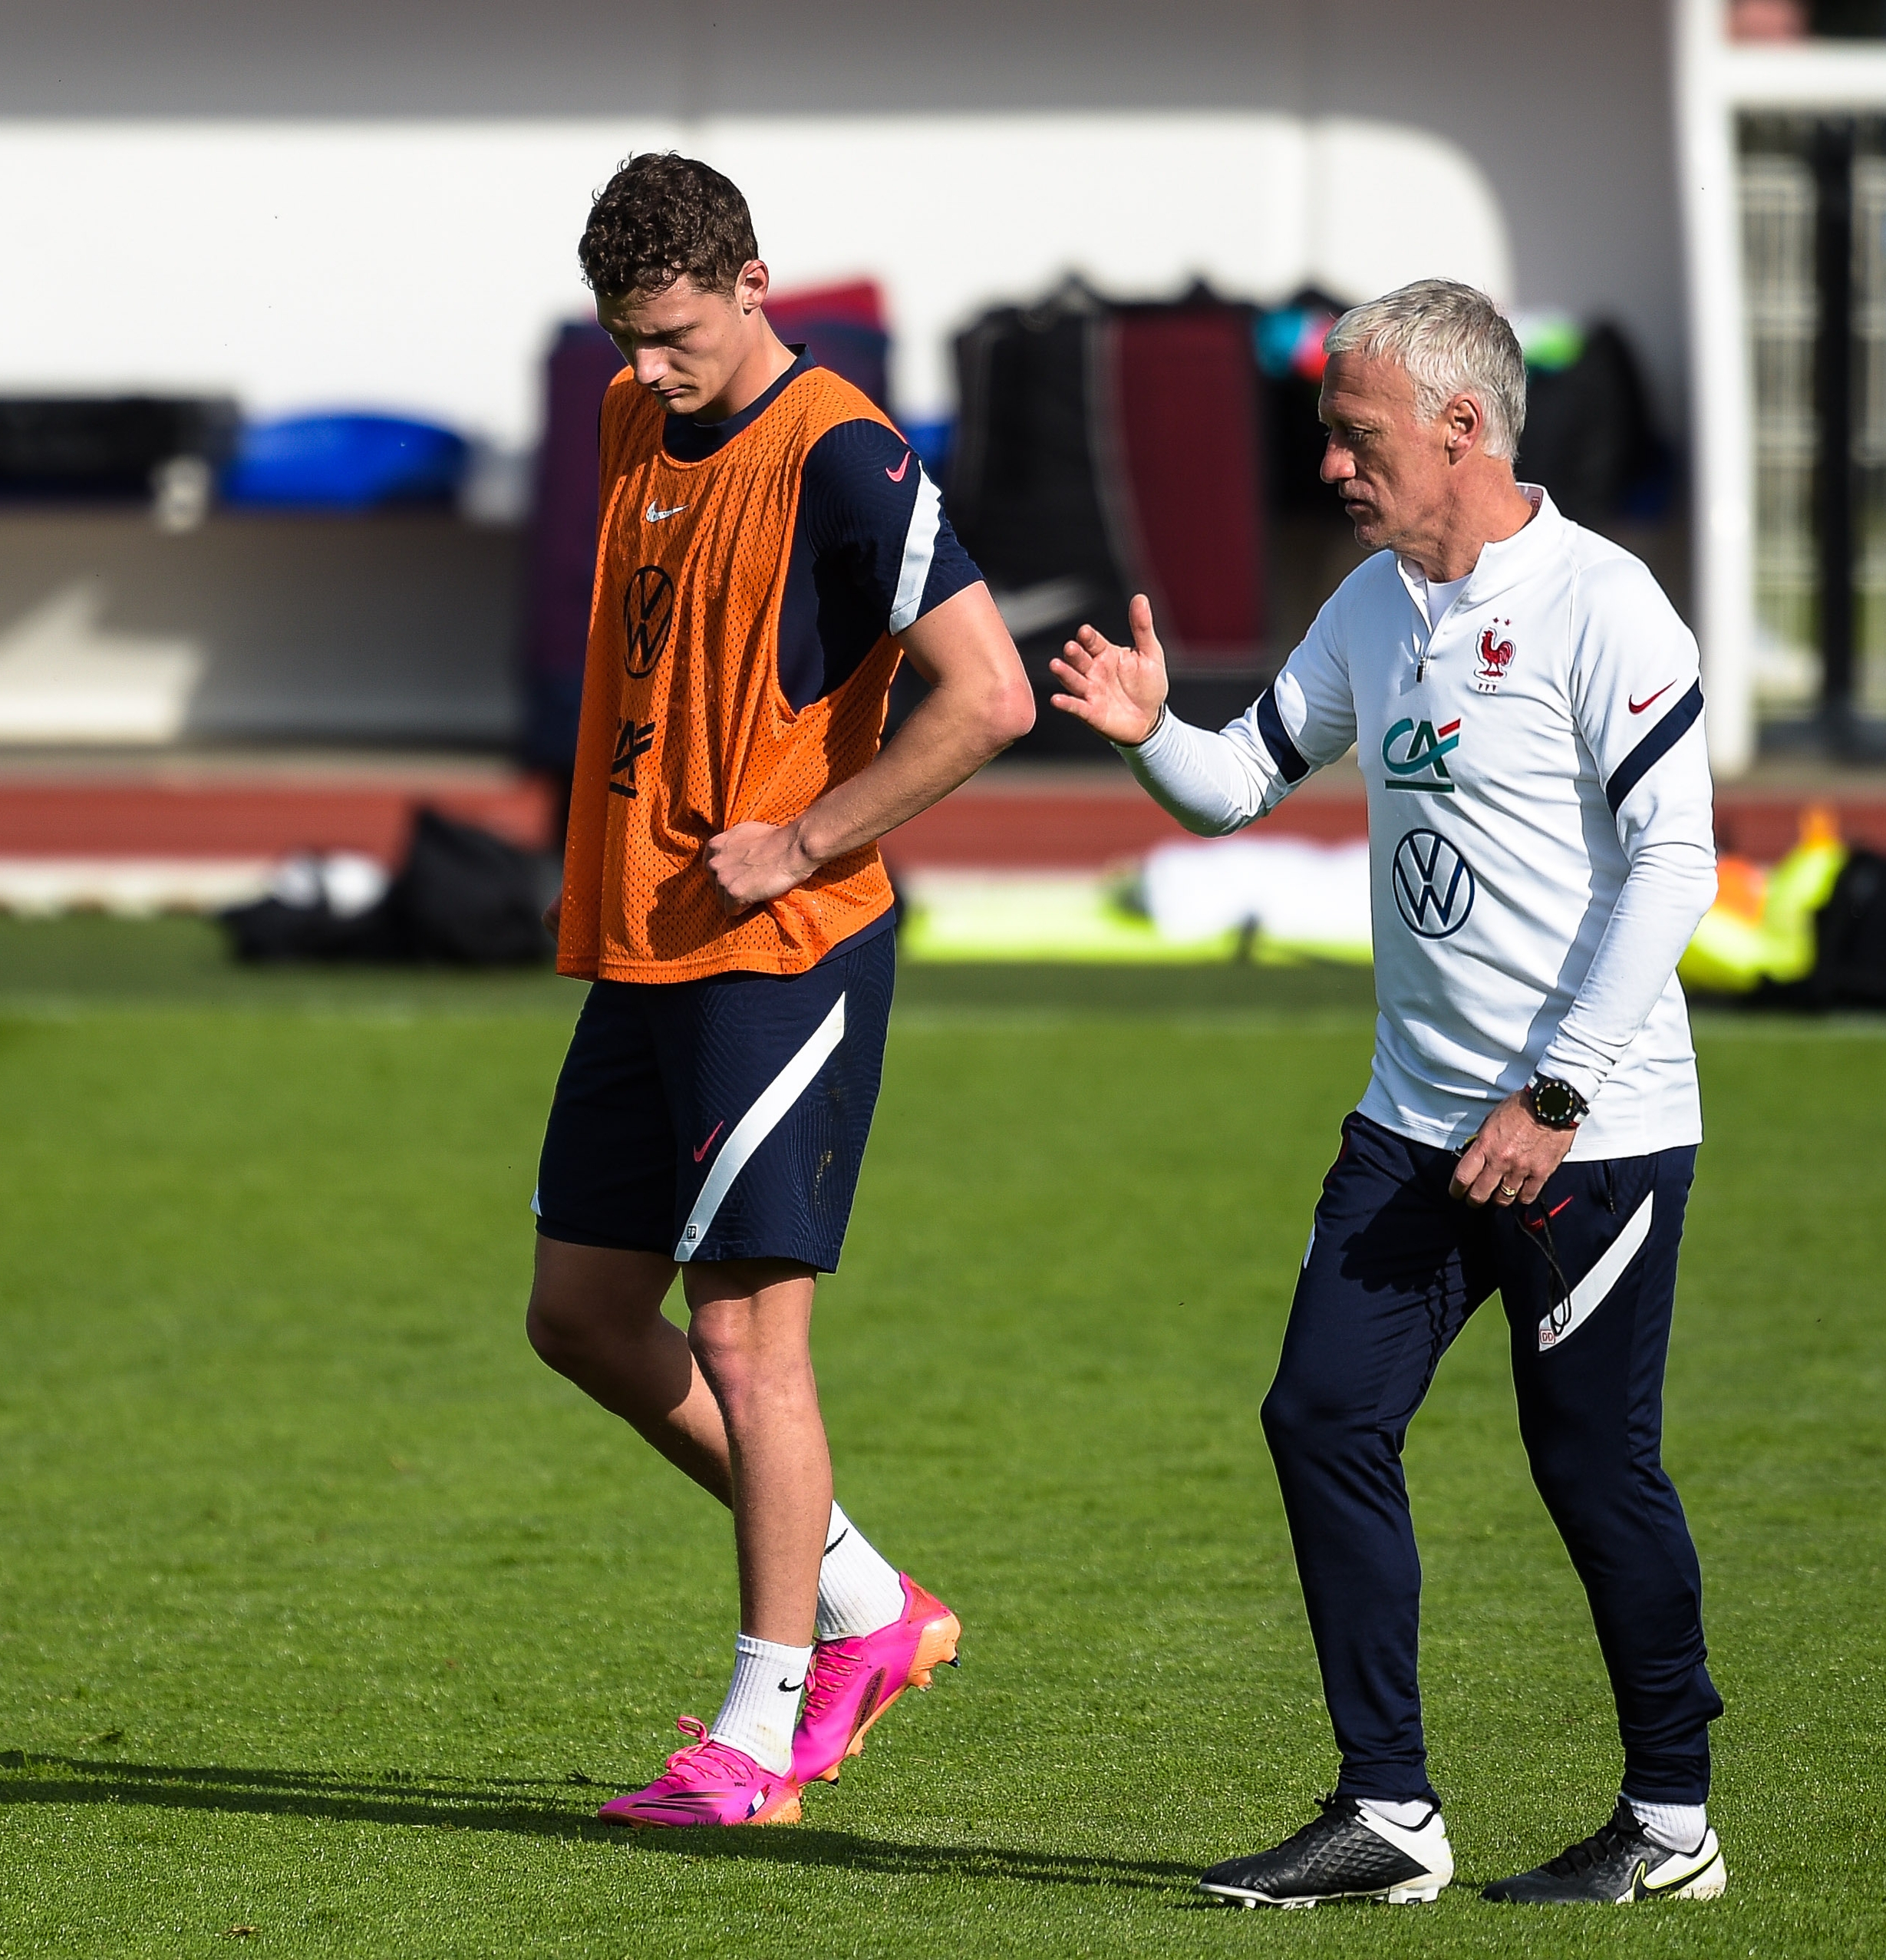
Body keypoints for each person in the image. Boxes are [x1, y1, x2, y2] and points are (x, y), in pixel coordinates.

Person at [1048, 279, 1727, 1908]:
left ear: (1462, 427)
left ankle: (1672, 1821)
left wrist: (1554, 1095)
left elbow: (1679, 862)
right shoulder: (1371, 607)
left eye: (1356, 437)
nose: (1335, 465)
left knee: (1591, 1472)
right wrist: (1155, 734)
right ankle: (1389, 1809)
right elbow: (1239, 782)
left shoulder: (1604, 604)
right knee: (1321, 1415)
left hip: (1590, 1143)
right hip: (1413, 1125)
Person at [525, 153, 1033, 1830]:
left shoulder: (849, 455)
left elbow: (988, 696)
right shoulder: (626, 418)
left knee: (748, 1338)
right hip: (644, 940)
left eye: (670, 332)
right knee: (583, 1315)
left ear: (753, 279)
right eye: (623, 335)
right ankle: (872, 1605)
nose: (647, 366)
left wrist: (803, 837)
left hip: (782, 950)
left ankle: (755, 1737)